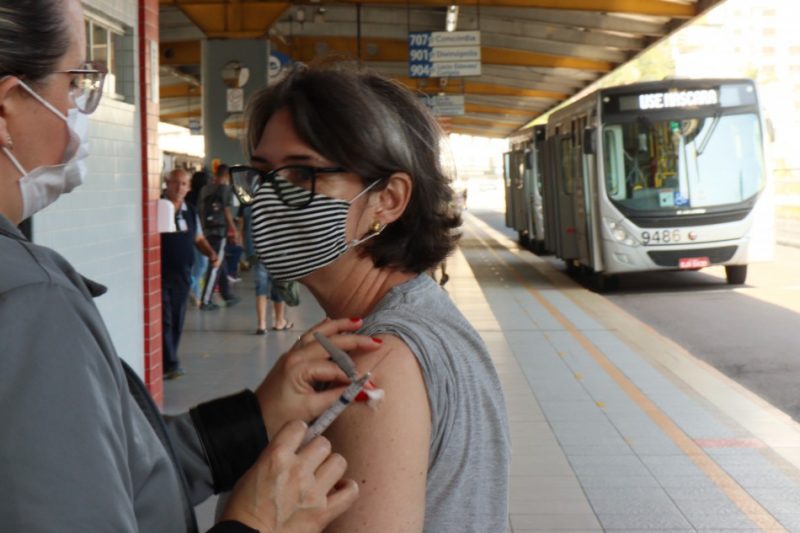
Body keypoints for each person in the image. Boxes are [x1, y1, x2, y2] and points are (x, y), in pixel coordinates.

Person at [0, 2, 377, 530]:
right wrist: (255, 525)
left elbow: (112, 473)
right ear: (9, 104)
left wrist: (253, 418)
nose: (81, 110)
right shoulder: (29, 300)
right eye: (77, 84)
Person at [233, 64, 511, 531]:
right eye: (261, 175)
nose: (269, 200)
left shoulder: (375, 363)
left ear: (388, 199)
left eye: (303, 174)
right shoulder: (424, 316)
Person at [161, 167, 222, 379]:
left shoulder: (190, 211)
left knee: (177, 319)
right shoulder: (157, 208)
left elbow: (198, 239)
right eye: (176, 182)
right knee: (165, 319)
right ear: (167, 183)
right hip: (159, 275)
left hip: (183, 274)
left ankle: (169, 359)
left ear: (188, 187)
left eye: (184, 184)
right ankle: (170, 362)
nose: (180, 188)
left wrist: (211, 254)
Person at [198, 163, 240, 309]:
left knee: (220, 262)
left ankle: (226, 294)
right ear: (227, 175)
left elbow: (201, 209)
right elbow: (227, 212)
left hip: (206, 230)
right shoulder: (225, 189)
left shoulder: (205, 189)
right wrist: (234, 230)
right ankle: (206, 300)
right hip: (219, 231)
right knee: (215, 264)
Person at [254, 262, 293, 334]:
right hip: (278, 257)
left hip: (260, 256)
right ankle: (279, 321)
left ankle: (261, 325)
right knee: (279, 286)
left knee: (261, 289)